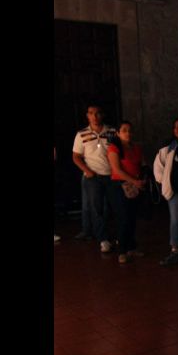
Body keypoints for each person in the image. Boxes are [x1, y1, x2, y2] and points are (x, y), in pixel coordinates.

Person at [72, 104, 116, 253]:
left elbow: (118, 152)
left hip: (110, 175)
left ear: (102, 115)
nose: (95, 117)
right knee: (97, 208)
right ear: (87, 115)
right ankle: (103, 239)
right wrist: (87, 171)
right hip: (93, 176)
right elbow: (76, 156)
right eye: (91, 113)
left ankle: (114, 235)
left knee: (111, 207)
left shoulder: (111, 132)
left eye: (98, 113)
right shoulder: (81, 134)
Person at [154, 116, 178, 266]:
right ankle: (175, 249)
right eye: (175, 127)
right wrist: (163, 182)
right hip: (175, 191)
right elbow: (158, 166)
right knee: (176, 219)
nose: (177, 130)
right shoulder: (168, 147)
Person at [107, 121, 146, 263]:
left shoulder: (136, 148)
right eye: (124, 130)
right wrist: (134, 181)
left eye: (129, 130)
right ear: (118, 133)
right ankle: (122, 250)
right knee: (123, 218)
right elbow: (117, 169)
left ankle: (131, 247)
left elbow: (142, 164)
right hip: (119, 186)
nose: (128, 133)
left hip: (134, 185)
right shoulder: (114, 148)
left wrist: (142, 179)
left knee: (132, 217)